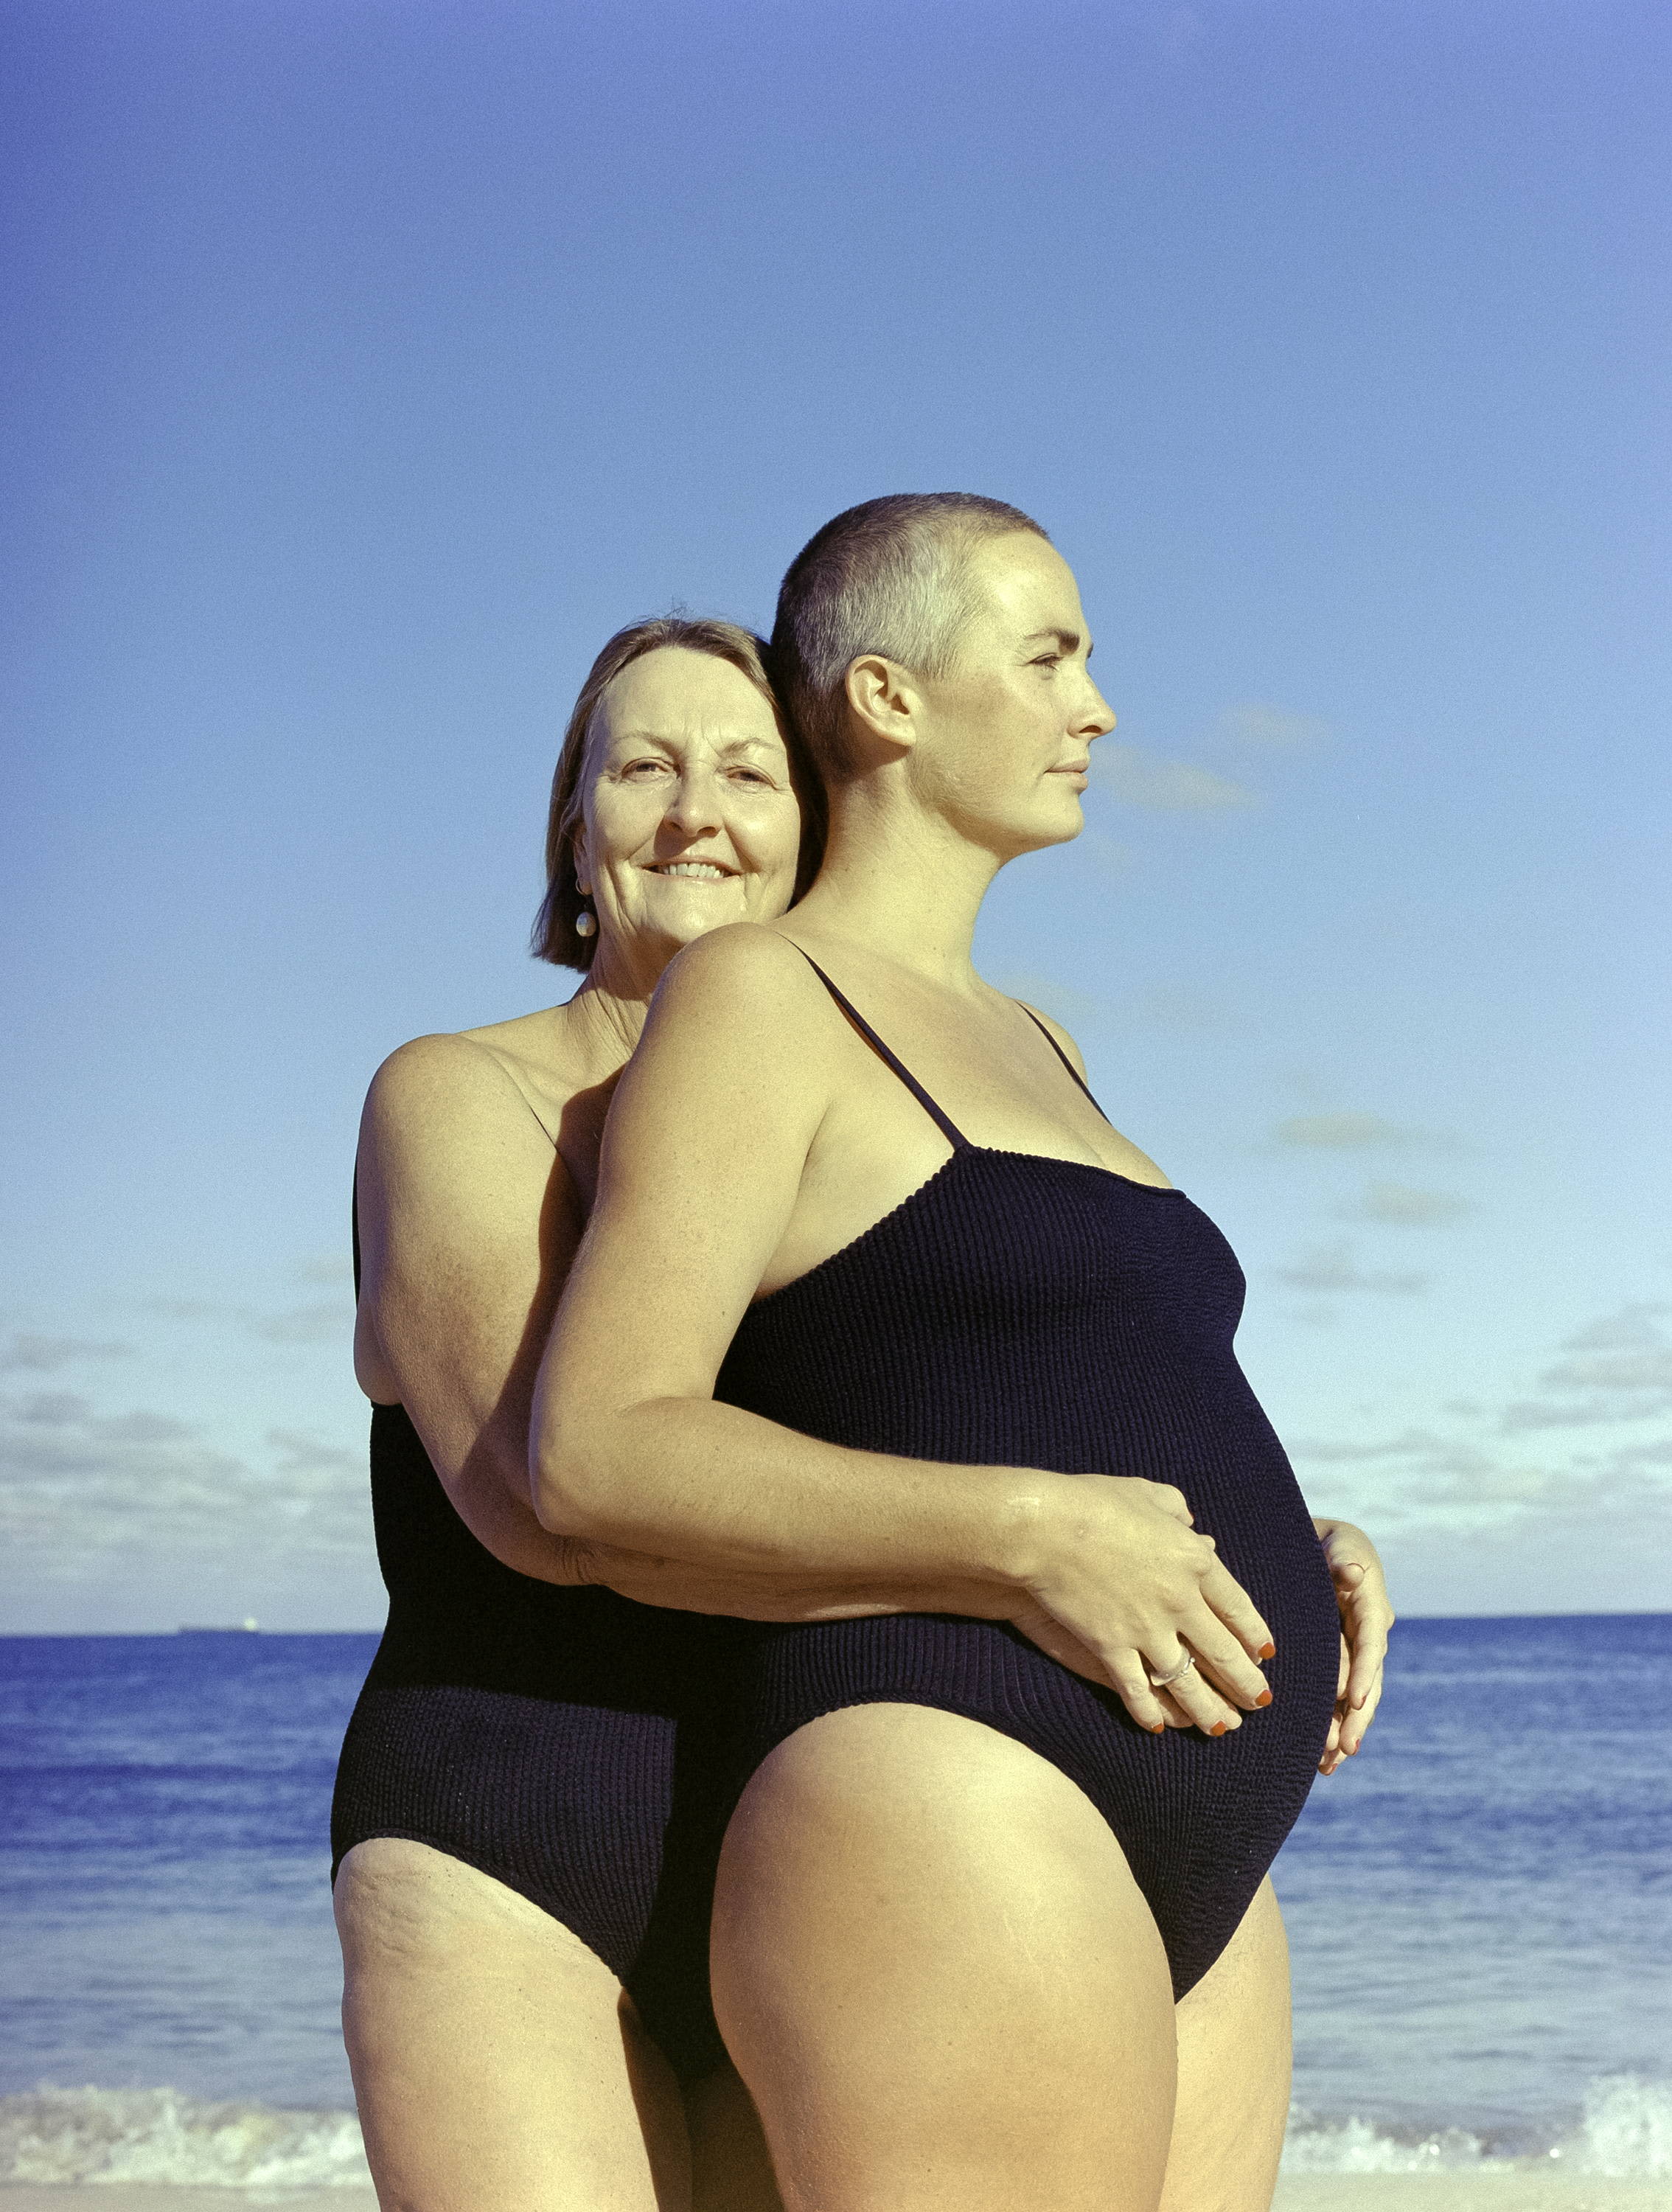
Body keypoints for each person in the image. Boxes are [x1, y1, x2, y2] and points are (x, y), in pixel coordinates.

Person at [533, 495, 1390, 2212]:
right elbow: (597, 1449)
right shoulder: (763, 1000)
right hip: (952, 1800)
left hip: (1195, 1844)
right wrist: (1035, 1533)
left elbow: (1039, 1361)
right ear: (887, 698)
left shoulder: (1040, 1035)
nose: (1101, 706)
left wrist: (1294, 1549)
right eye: (1053, 652)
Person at [332, 616, 820, 2212]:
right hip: (517, 1829)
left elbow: (1001, 1408)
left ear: (814, 825)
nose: (697, 811)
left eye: (749, 770)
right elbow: (553, 1510)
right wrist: (1028, 1555)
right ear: (575, 825)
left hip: (818, 1856)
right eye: (646, 766)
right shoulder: (457, 1095)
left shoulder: (866, 1142)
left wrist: (1255, 1546)